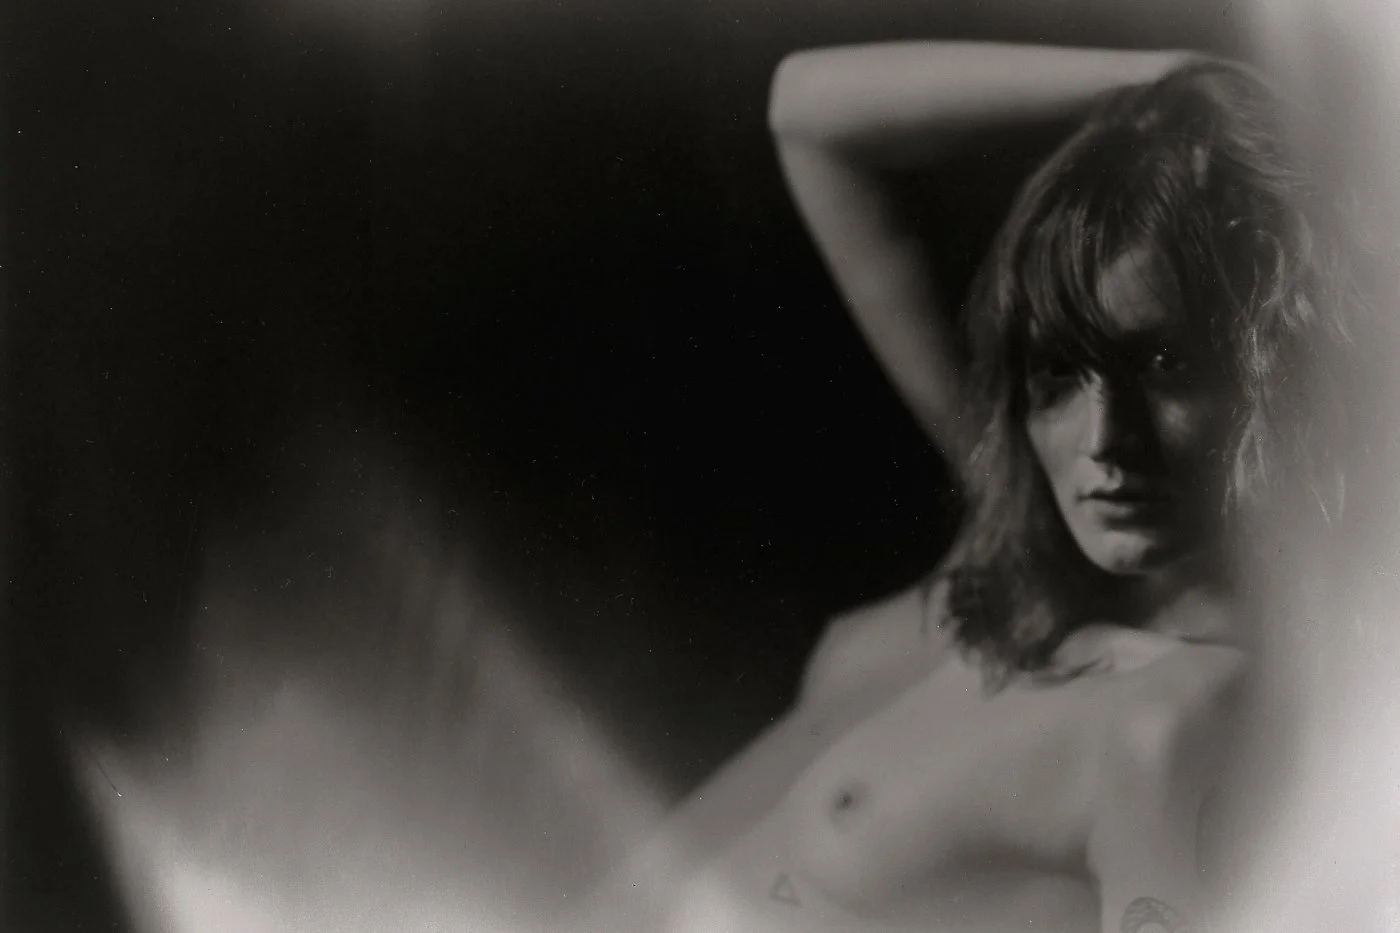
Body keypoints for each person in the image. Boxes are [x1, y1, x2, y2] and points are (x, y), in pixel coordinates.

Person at [581, 41, 1349, 933]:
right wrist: (1167, 84)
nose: (1107, 438)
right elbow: (807, 111)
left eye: (1166, 364)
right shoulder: (1026, 534)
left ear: (1263, 374)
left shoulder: (1180, 718)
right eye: (1058, 371)